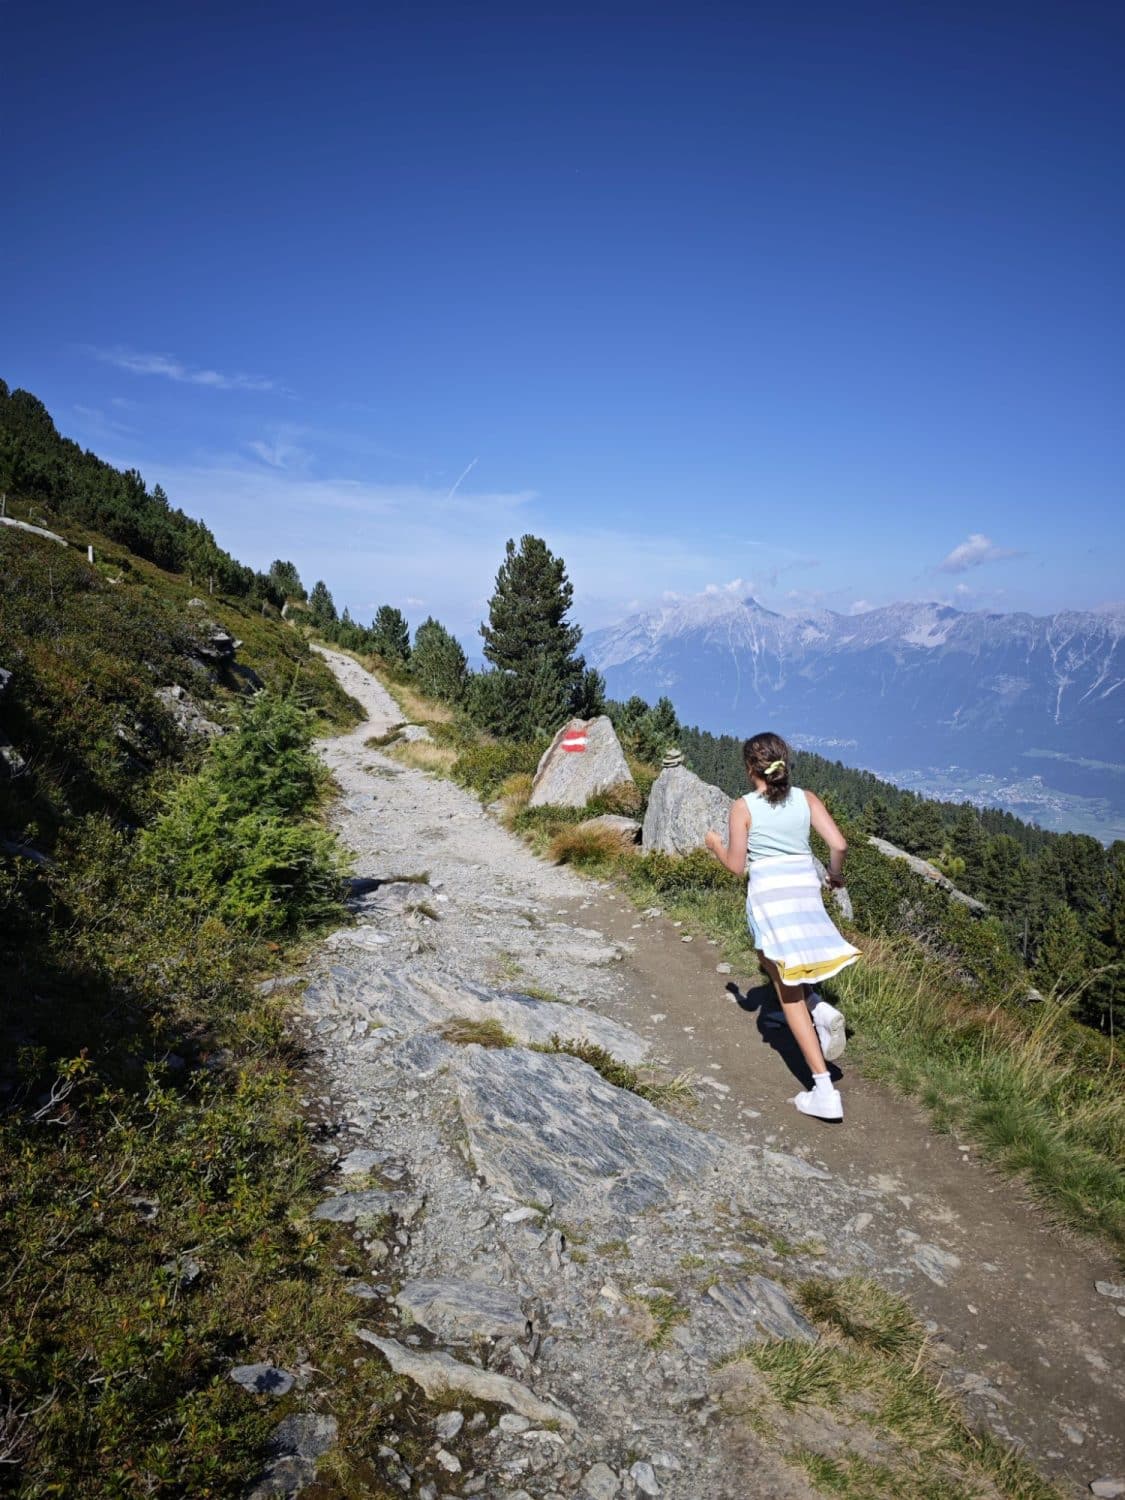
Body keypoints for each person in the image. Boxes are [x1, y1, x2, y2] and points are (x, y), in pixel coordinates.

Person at [704, 732, 859, 1121]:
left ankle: (823, 1088)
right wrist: (835, 877)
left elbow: (737, 866)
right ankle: (818, 1008)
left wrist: (714, 846)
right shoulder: (806, 799)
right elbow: (838, 844)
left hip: (769, 897)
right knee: (771, 958)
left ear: (749, 769)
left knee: (787, 991)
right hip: (803, 889)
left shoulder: (744, 807)